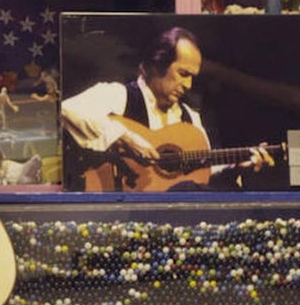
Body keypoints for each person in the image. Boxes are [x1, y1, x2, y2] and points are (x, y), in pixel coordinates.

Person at [60, 26, 274, 191]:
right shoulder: (120, 95)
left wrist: (236, 167)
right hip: (118, 206)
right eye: (183, 74)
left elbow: (204, 171)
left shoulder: (190, 117)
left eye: (192, 77)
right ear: (159, 64)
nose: (188, 85)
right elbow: (69, 110)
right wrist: (125, 137)